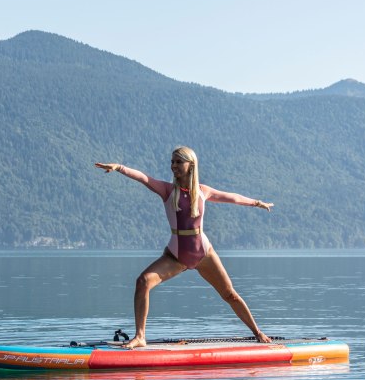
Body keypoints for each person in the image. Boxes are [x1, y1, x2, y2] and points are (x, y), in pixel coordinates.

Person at [95, 146, 274, 349]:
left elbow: (232, 197)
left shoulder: (202, 191)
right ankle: (140, 336)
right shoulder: (167, 191)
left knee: (230, 294)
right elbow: (144, 178)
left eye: (178, 162)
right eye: (172, 162)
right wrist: (119, 167)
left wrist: (257, 203)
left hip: (204, 253)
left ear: (191, 165)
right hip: (176, 256)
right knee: (143, 281)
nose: (174, 166)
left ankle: (258, 332)